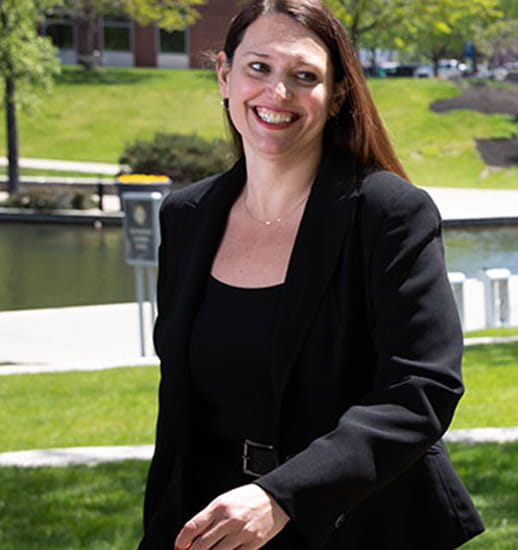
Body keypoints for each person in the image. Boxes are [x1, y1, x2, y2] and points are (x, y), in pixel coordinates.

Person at [140, 1, 483, 548]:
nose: (277, 93)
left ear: (336, 95)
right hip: (216, 525)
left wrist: (282, 496)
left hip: (364, 525)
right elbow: (178, 410)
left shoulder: (388, 213)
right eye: (259, 68)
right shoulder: (187, 218)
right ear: (224, 75)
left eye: (304, 76)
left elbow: (422, 389)